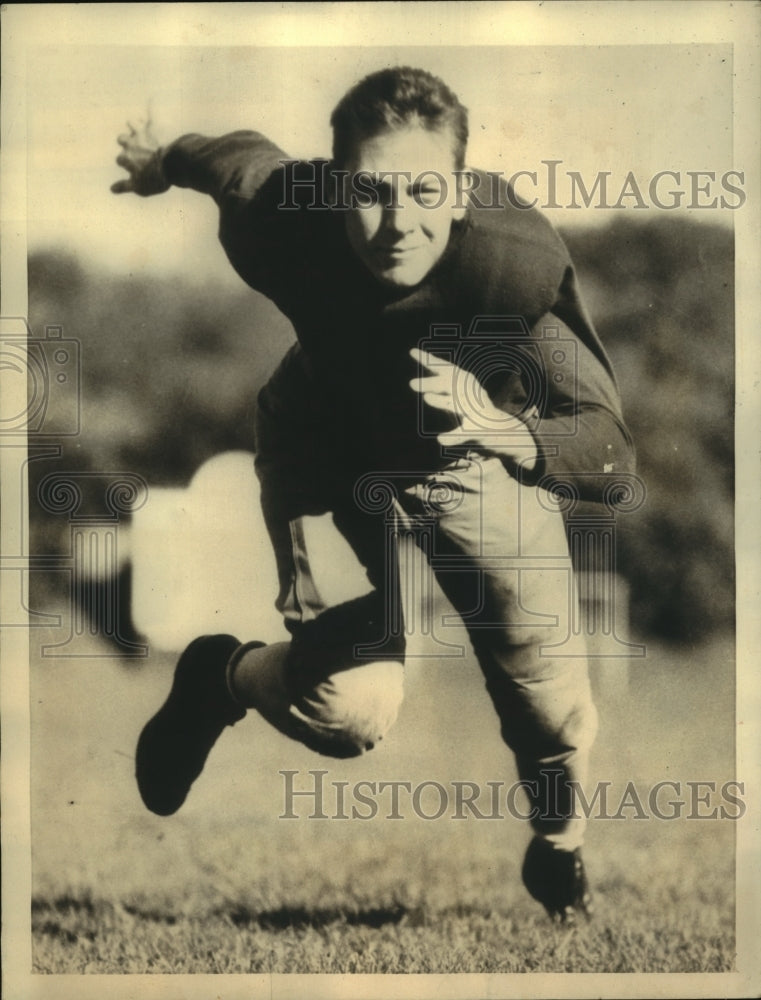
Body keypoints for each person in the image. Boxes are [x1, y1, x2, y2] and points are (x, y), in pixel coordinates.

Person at [112, 66, 635, 924]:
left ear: (462, 192)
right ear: (330, 183)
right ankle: (222, 678)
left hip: (470, 454)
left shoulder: (510, 268)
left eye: (425, 190)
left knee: (549, 712)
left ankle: (559, 846)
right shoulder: (282, 212)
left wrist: (512, 434)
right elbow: (226, 156)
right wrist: (157, 160)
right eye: (370, 192)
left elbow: (609, 448)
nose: (398, 223)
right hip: (320, 447)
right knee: (348, 712)